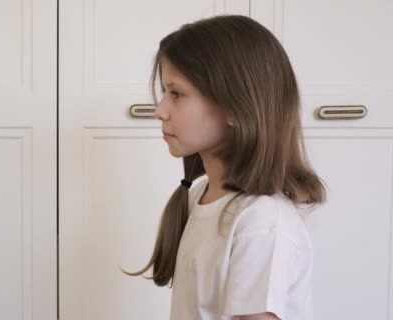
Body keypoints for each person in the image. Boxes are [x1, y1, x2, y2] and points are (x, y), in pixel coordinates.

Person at [121, 15, 327, 320]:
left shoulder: (262, 223)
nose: (160, 109)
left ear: (234, 106)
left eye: (176, 94)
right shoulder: (201, 194)